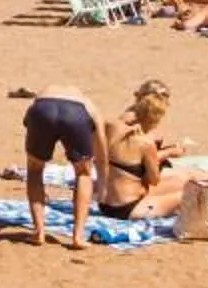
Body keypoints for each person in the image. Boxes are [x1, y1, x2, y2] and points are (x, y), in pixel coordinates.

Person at [21, 87, 102, 252]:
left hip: (42, 110)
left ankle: (39, 232)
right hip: (75, 114)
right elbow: (101, 139)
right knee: (84, 174)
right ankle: (78, 236)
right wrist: (104, 174)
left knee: (35, 170)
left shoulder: (43, 94)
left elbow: (27, 121)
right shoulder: (88, 104)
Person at [98, 81, 190, 222]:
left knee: (181, 181)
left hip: (104, 204)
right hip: (128, 208)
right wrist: (168, 153)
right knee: (189, 195)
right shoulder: (145, 143)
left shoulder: (113, 126)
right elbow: (153, 180)